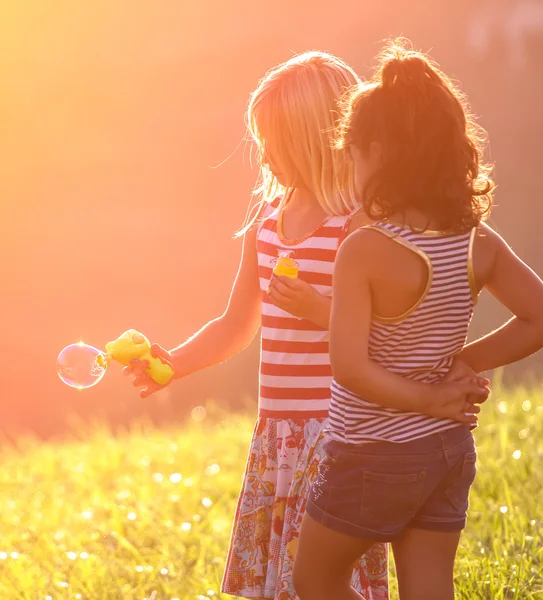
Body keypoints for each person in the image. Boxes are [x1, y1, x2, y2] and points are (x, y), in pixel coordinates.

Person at [125, 50, 487, 600]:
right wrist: (173, 363)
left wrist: (323, 310)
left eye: (273, 140)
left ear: (316, 140)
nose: (264, 154)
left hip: (340, 430)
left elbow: (391, 327)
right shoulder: (265, 226)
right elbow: (234, 324)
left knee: (324, 577)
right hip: (280, 434)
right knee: (282, 582)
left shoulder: (361, 227)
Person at [292, 38, 543, 600]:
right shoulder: (477, 240)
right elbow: (538, 315)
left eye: (352, 156)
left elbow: (349, 366)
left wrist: (426, 397)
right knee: (430, 587)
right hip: (447, 449)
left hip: (370, 451)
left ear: (377, 153)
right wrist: (463, 364)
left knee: (314, 578)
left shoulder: (365, 250)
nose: (351, 169)